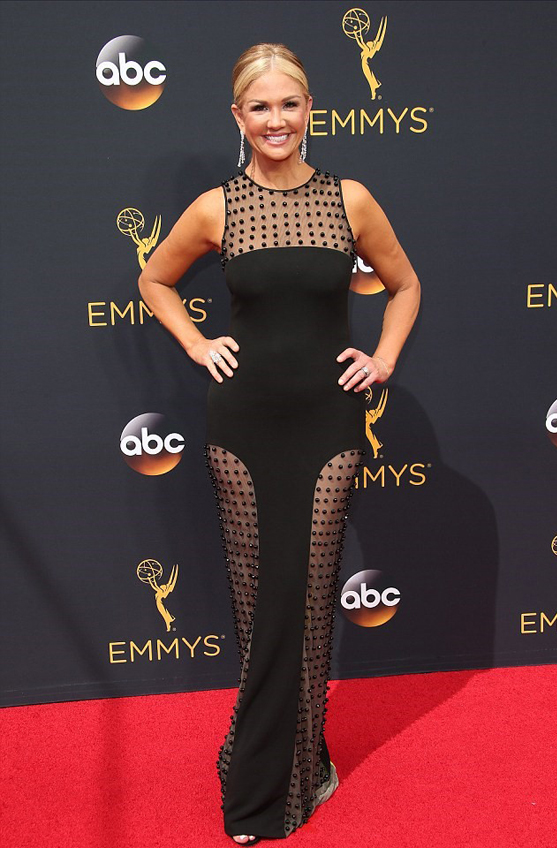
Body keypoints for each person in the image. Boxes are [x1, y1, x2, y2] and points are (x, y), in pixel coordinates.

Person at [138, 42, 421, 846]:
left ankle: (297, 768)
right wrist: (198, 345)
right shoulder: (215, 208)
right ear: (238, 116)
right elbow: (154, 279)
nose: (276, 121)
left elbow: (405, 284)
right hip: (243, 426)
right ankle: (269, 782)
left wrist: (383, 358)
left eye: (288, 104)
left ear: (309, 110)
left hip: (328, 425)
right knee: (263, 607)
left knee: (308, 600)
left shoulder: (349, 199)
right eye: (259, 107)